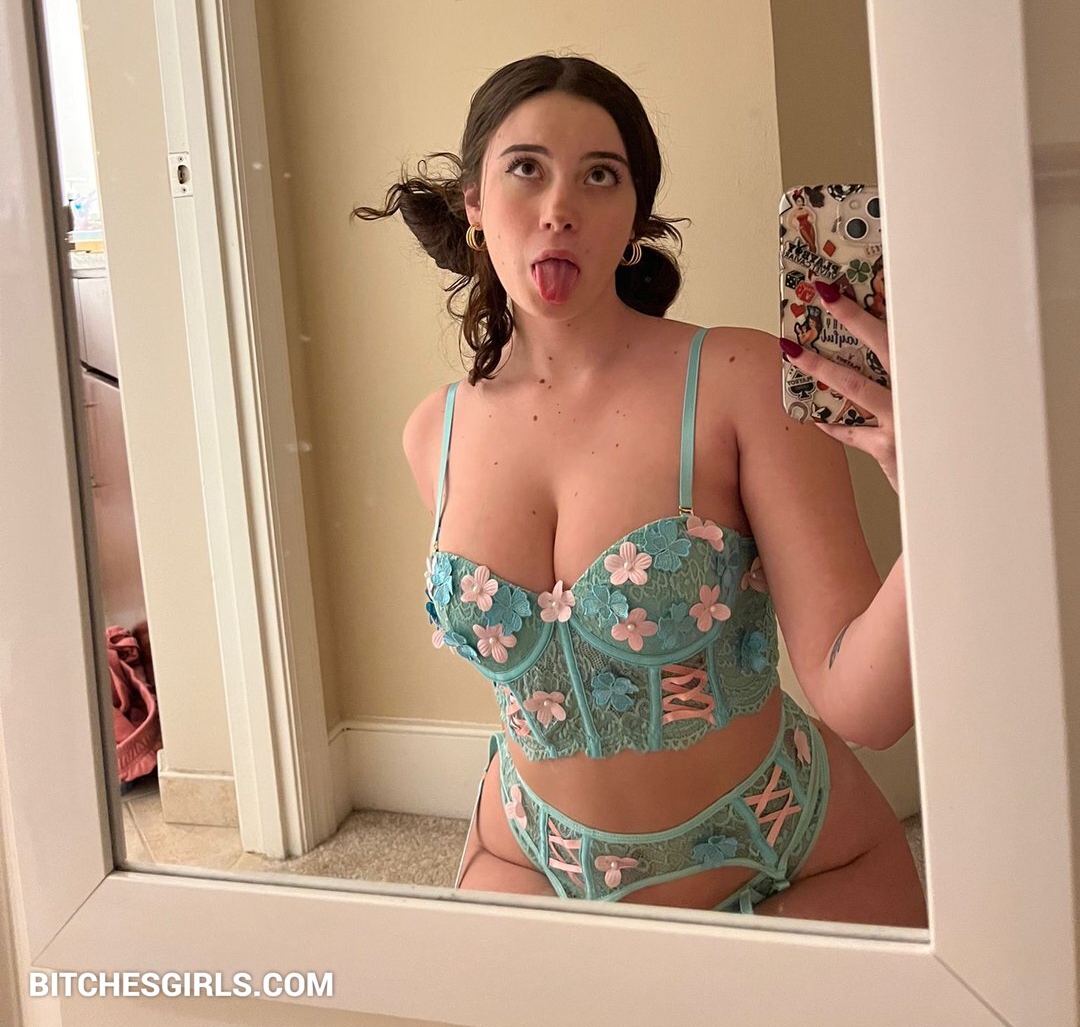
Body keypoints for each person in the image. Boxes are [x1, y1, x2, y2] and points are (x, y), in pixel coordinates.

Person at [354, 54, 927, 927]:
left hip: (784, 858)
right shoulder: (433, 432)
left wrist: (941, 503)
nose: (560, 208)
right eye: (526, 168)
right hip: (527, 854)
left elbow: (866, 708)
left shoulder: (737, 380)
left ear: (633, 219)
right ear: (474, 204)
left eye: (600, 176)